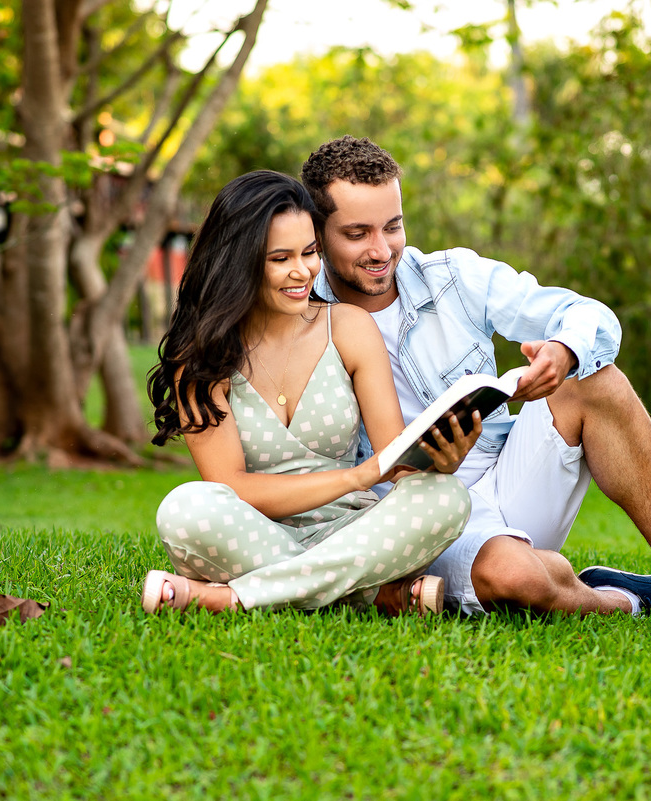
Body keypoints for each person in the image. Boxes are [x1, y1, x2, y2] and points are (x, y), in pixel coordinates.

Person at [300, 136, 651, 632]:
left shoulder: (452, 277)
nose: (382, 250)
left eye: (393, 226)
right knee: (520, 581)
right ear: (317, 235)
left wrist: (563, 351)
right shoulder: (299, 317)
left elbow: (584, 314)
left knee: (590, 374)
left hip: (507, 476)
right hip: (413, 518)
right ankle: (624, 597)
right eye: (358, 233)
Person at [141, 170, 479, 616]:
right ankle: (370, 595)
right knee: (184, 508)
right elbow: (232, 486)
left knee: (446, 497)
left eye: (310, 252)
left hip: (354, 531)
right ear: (239, 263)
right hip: (250, 532)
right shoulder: (200, 357)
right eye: (280, 258)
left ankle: (232, 598)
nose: (302, 272)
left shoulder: (349, 327)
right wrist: (356, 478)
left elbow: (394, 465)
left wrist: (440, 461)